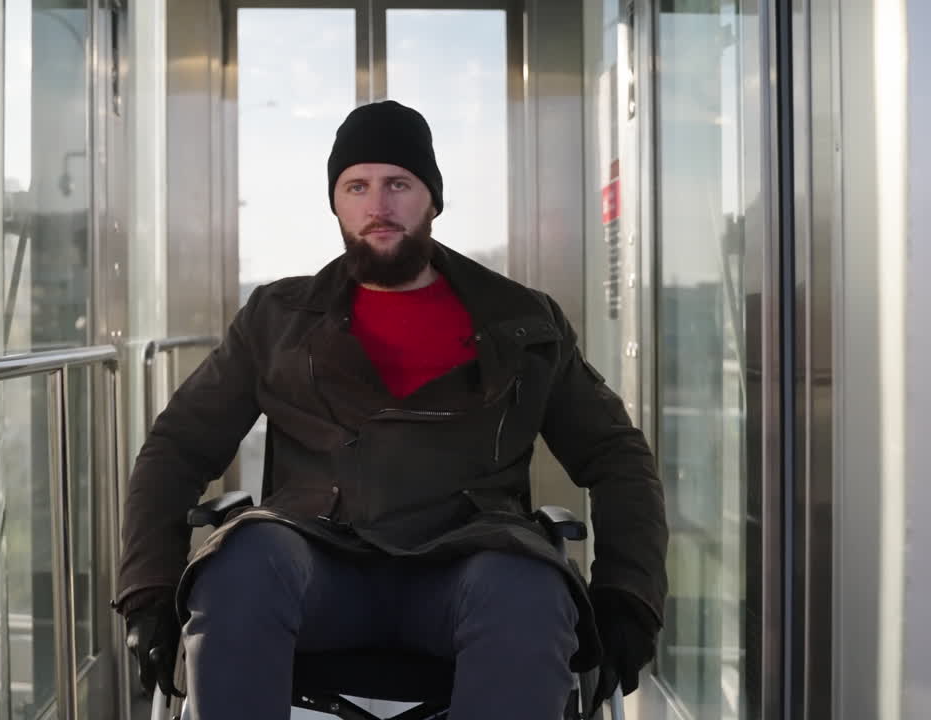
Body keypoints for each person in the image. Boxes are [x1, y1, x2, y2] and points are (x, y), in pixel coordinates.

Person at [115, 100, 667, 719]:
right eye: (357, 186)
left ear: (432, 198)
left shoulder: (524, 322)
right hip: (314, 563)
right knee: (241, 559)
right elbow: (178, 448)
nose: (377, 205)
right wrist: (149, 589)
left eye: (398, 184)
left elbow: (616, 455)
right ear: (336, 202)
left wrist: (628, 594)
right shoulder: (277, 320)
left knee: (530, 587)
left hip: (469, 569)